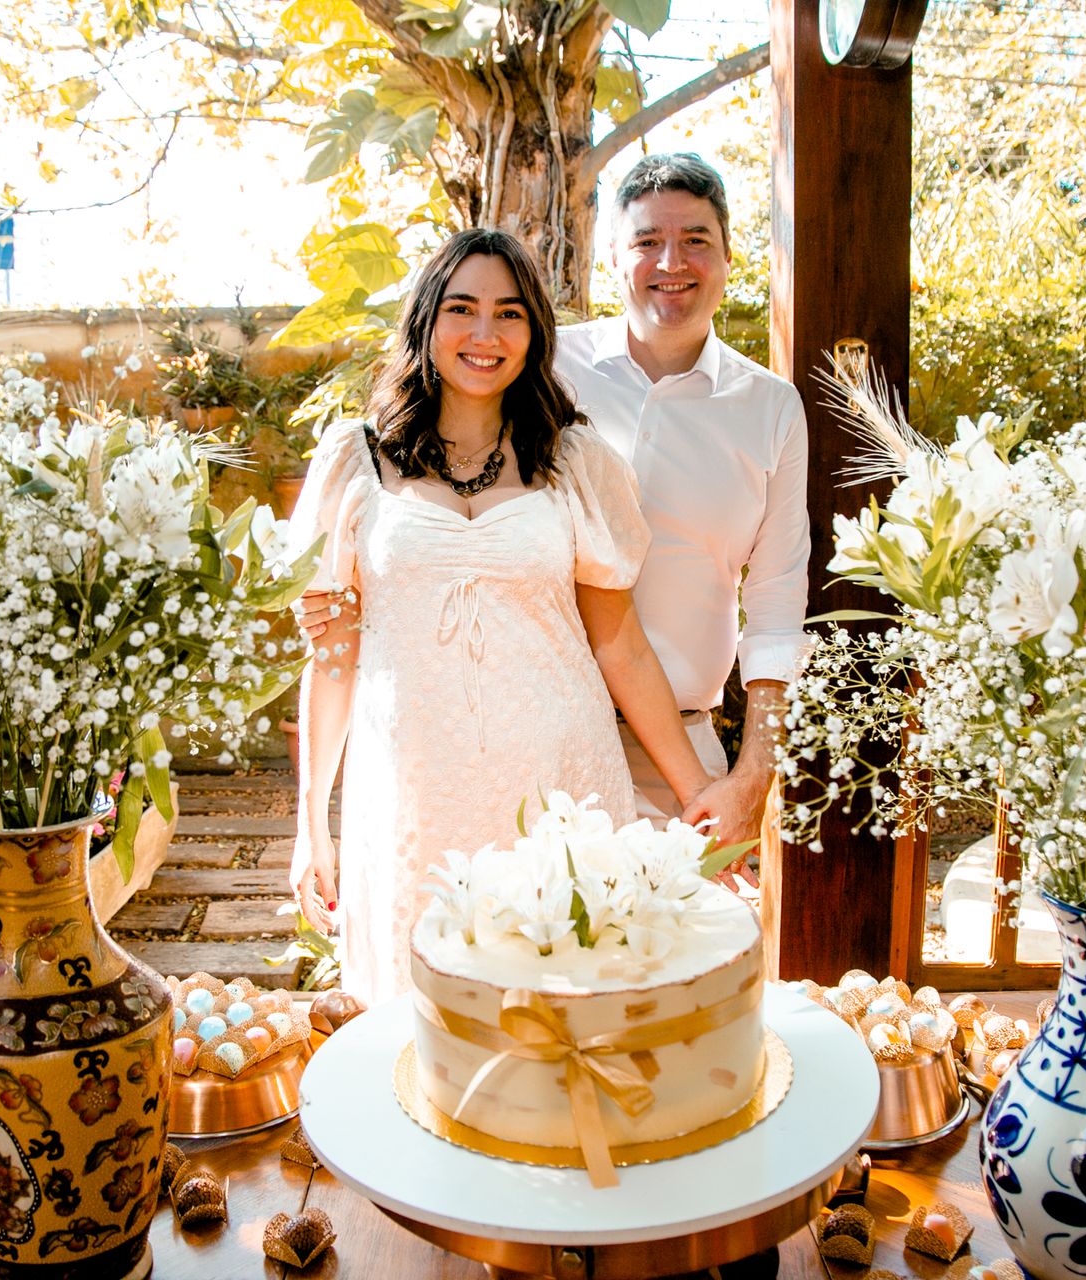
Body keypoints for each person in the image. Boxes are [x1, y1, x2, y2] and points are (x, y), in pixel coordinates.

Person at [284, 227, 715, 1006]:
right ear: (426, 321)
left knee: (564, 1010)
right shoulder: (354, 462)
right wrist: (311, 821)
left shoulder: (575, 460)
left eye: (509, 313)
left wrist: (697, 793)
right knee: (422, 1022)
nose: (484, 334)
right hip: (411, 790)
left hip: (557, 783)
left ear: (534, 332)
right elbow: (335, 656)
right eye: (462, 309)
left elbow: (619, 643)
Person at [556, 153, 811, 848]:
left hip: (687, 767)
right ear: (614, 257)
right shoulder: (546, 370)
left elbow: (777, 606)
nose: (672, 262)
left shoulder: (771, 409)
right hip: (541, 739)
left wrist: (753, 780)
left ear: (728, 257)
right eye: (647, 241)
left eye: (696, 239)